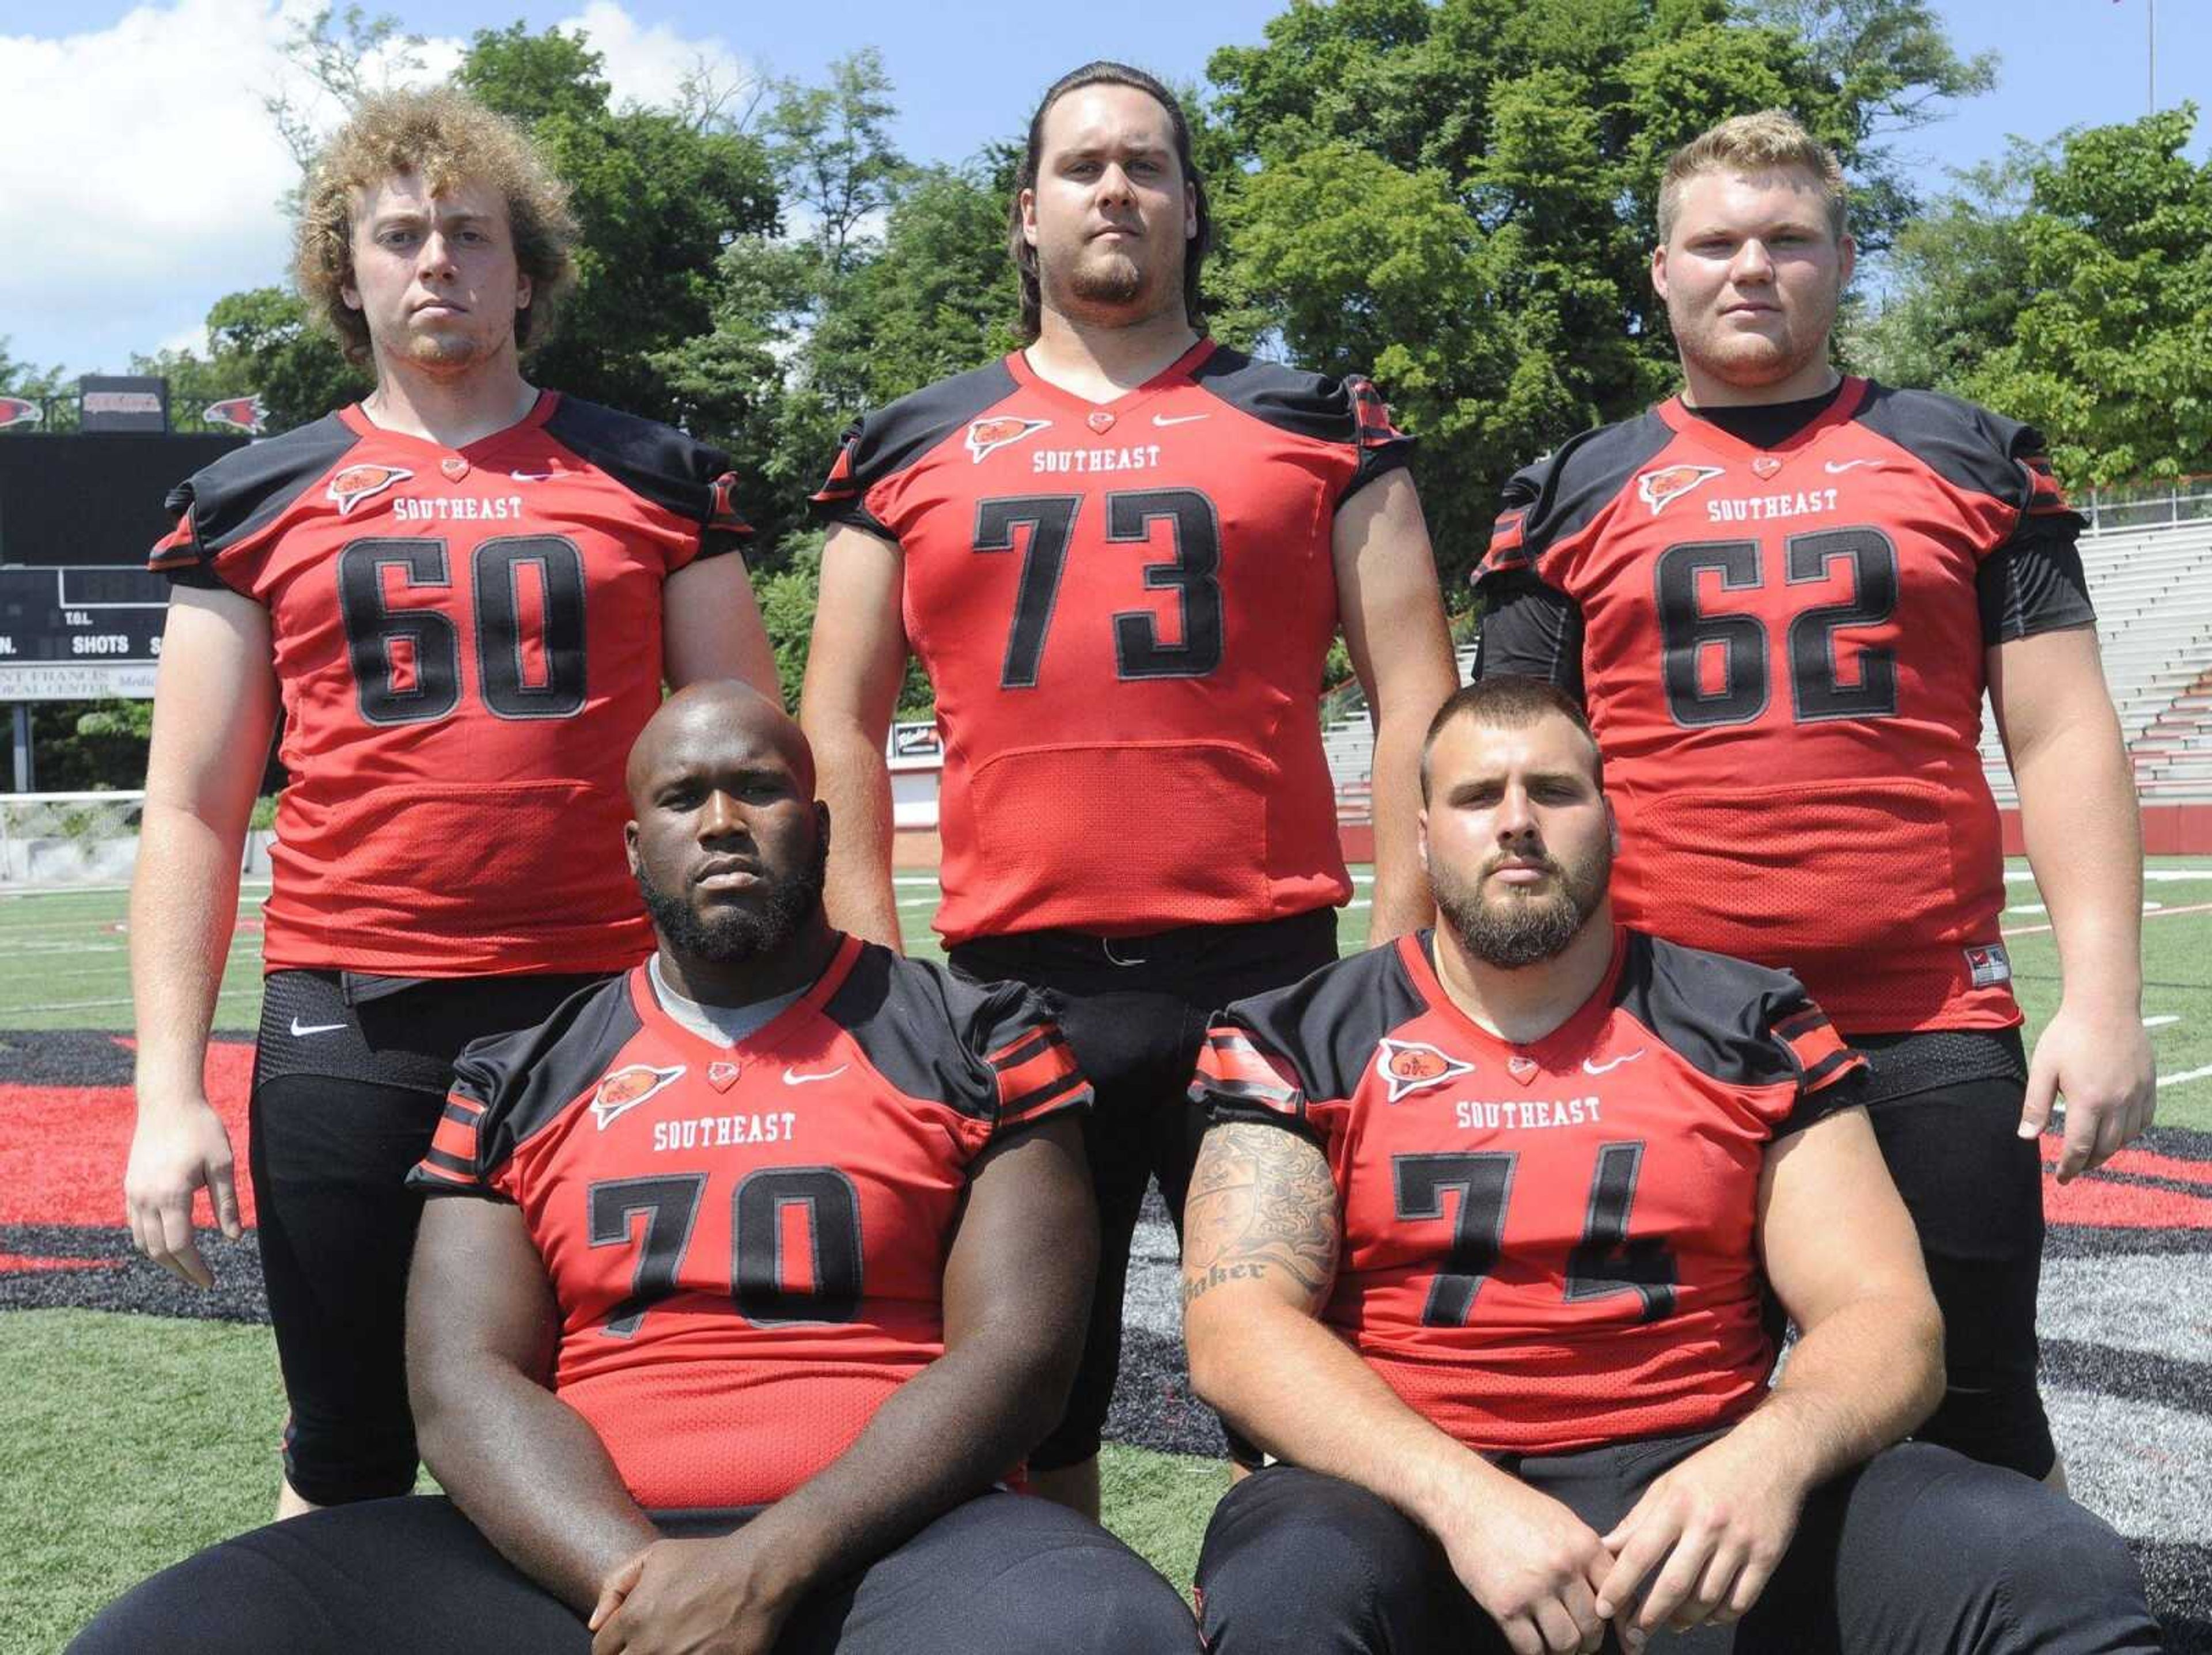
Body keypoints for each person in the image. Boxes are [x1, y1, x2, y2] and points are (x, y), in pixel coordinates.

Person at [74, 682, 1199, 1655]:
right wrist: (645, 1587)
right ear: (632, 846)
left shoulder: (974, 1035)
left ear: (816, 824)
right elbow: (462, 1384)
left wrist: (766, 1565)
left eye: (756, 789)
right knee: (178, 1630)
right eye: (680, 798)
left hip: (905, 1542)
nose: (721, 822)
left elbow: (1020, 1356)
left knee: (1112, 1633)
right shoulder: (521, 1074)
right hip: (579, 1561)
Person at [800, 59, 1460, 1514]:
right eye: (1083, 165)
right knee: (1034, 1412)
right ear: (1023, 215)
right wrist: (870, 980)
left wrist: (1409, 963)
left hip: (1271, 982)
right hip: (1015, 993)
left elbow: (1423, 701)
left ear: (1191, 208)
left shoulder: (1322, 423)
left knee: (1305, 1400)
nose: (1116, 187)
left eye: (1148, 165)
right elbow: (836, 725)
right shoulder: (911, 442)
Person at [1179, 678, 2157, 1655]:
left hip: (1700, 1495)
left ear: (1611, 819)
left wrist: (1765, 1460)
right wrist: (1464, 1500)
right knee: (1287, 1584)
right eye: (1480, 796)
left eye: (1554, 792)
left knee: (2048, 1562)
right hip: (1411, 1505)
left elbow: (1888, 1314)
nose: (1518, 822)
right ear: (1424, 831)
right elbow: (1237, 1329)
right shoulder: (1299, 1037)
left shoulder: (1748, 1024)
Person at [1471, 109, 2153, 1482]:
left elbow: (2065, 730)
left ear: (1846, 259)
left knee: (1972, 1411)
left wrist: (2105, 998)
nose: (1751, 267)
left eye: (1787, 239)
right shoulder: (1575, 491)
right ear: (1659, 270)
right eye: (1715, 241)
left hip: (1925, 1015)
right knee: (1654, 1425)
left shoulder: (1964, 457)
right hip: (1662, 1026)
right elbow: (1502, 768)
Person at [123, 86, 777, 1518]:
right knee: (347, 1450)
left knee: (622, 1429)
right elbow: (192, 812)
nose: (437, 263)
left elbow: (753, 775)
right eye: (400, 234)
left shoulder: (653, 479)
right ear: (345, 273)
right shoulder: (254, 498)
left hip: (613, 1012)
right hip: (354, 1015)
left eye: (471, 234)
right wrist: (166, 1090)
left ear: (525, 271)